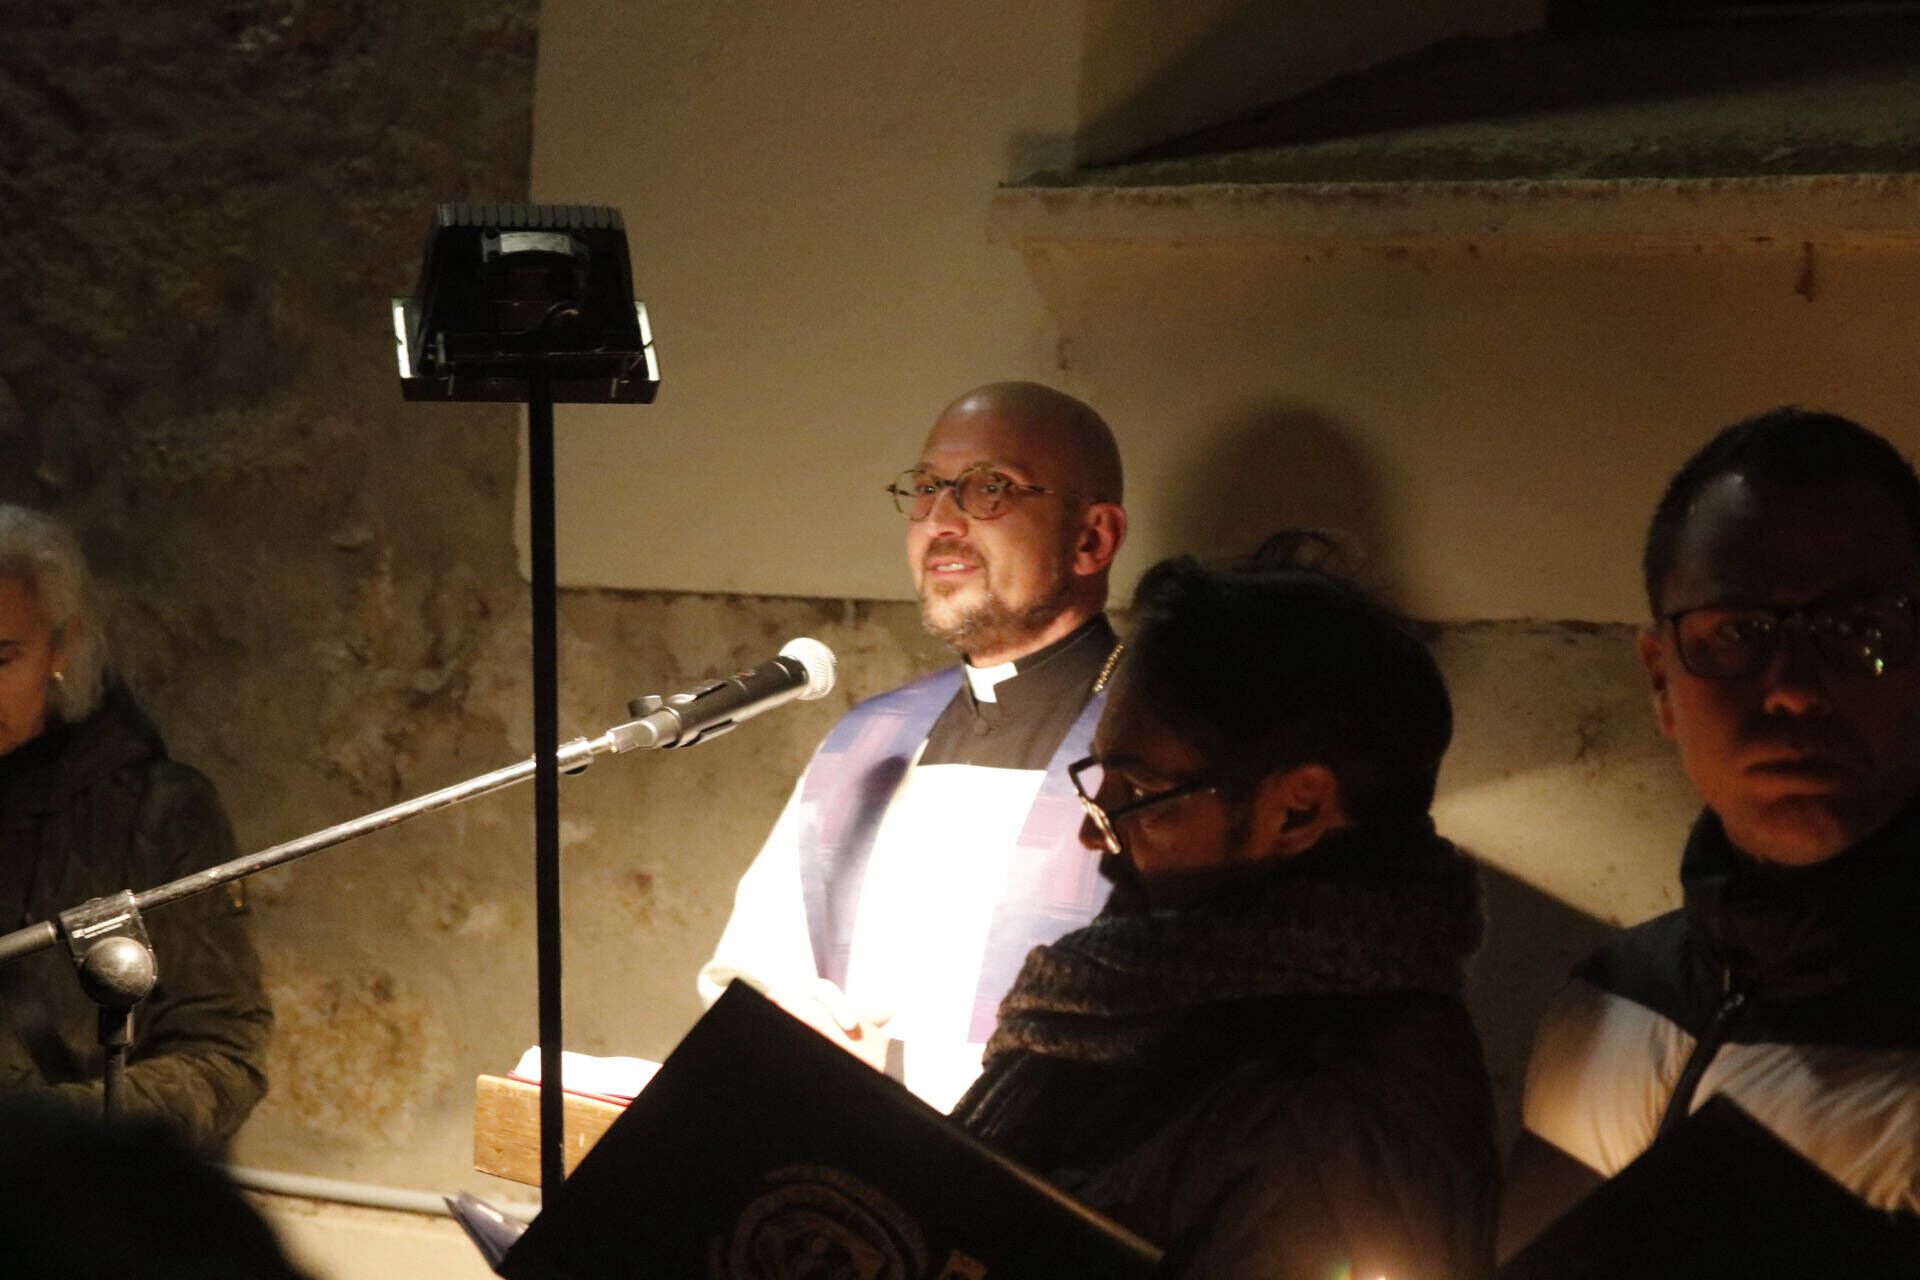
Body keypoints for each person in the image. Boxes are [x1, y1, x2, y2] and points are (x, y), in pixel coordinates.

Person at [950, 543, 1498, 1280]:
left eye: (1141, 791)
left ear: (1297, 810)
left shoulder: (1332, 1116)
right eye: (1100, 772)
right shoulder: (1150, 986)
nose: (1093, 828)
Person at [1501, 408, 1920, 1256]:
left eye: (1861, 632)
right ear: (1660, 681)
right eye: (1738, 632)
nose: (1795, 690)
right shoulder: (1607, 1007)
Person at [699, 382, 1127, 1111]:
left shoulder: (1152, 758)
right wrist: (788, 1029)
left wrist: (890, 1070)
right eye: (927, 489)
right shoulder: (868, 742)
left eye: (988, 489)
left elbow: (1163, 1047)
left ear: (1092, 539)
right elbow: (748, 976)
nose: (941, 522)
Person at [0, 505, 269, 1155]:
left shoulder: (158, 812)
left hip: (67, 1207)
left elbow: (221, 1055)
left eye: (0, 658)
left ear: (60, 650)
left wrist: (51, 1129)